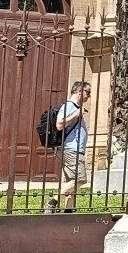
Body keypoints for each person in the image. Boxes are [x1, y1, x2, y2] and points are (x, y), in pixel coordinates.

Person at [50, 81, 90, 213]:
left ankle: (69, 209)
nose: (88, 96)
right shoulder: (69, 106)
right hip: (71, 149)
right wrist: (76, 114)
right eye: (87, 92)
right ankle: (53, 200)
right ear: (79, 91)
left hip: (73, 149)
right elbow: (59, 124)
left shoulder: (74, 106)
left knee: (71, 181)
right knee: (80, 179)